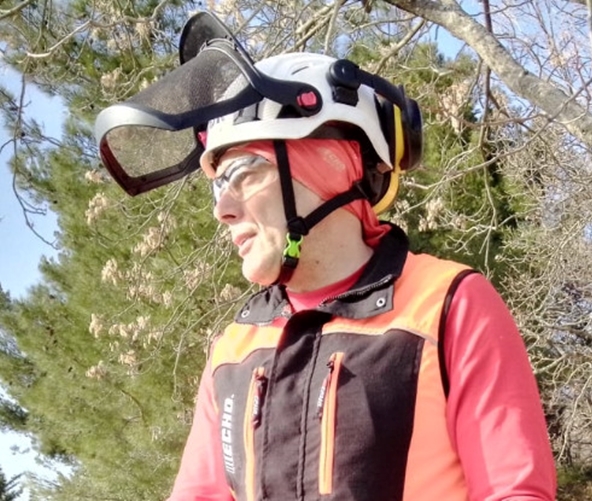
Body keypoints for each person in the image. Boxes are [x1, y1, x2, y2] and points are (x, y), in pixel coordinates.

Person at [95, 12, 557, 501]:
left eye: (244, 173)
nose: (222, 210)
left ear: (330, 165)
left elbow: (515, 490)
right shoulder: (233, 348)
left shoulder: (448, 303)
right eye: (217, 186)